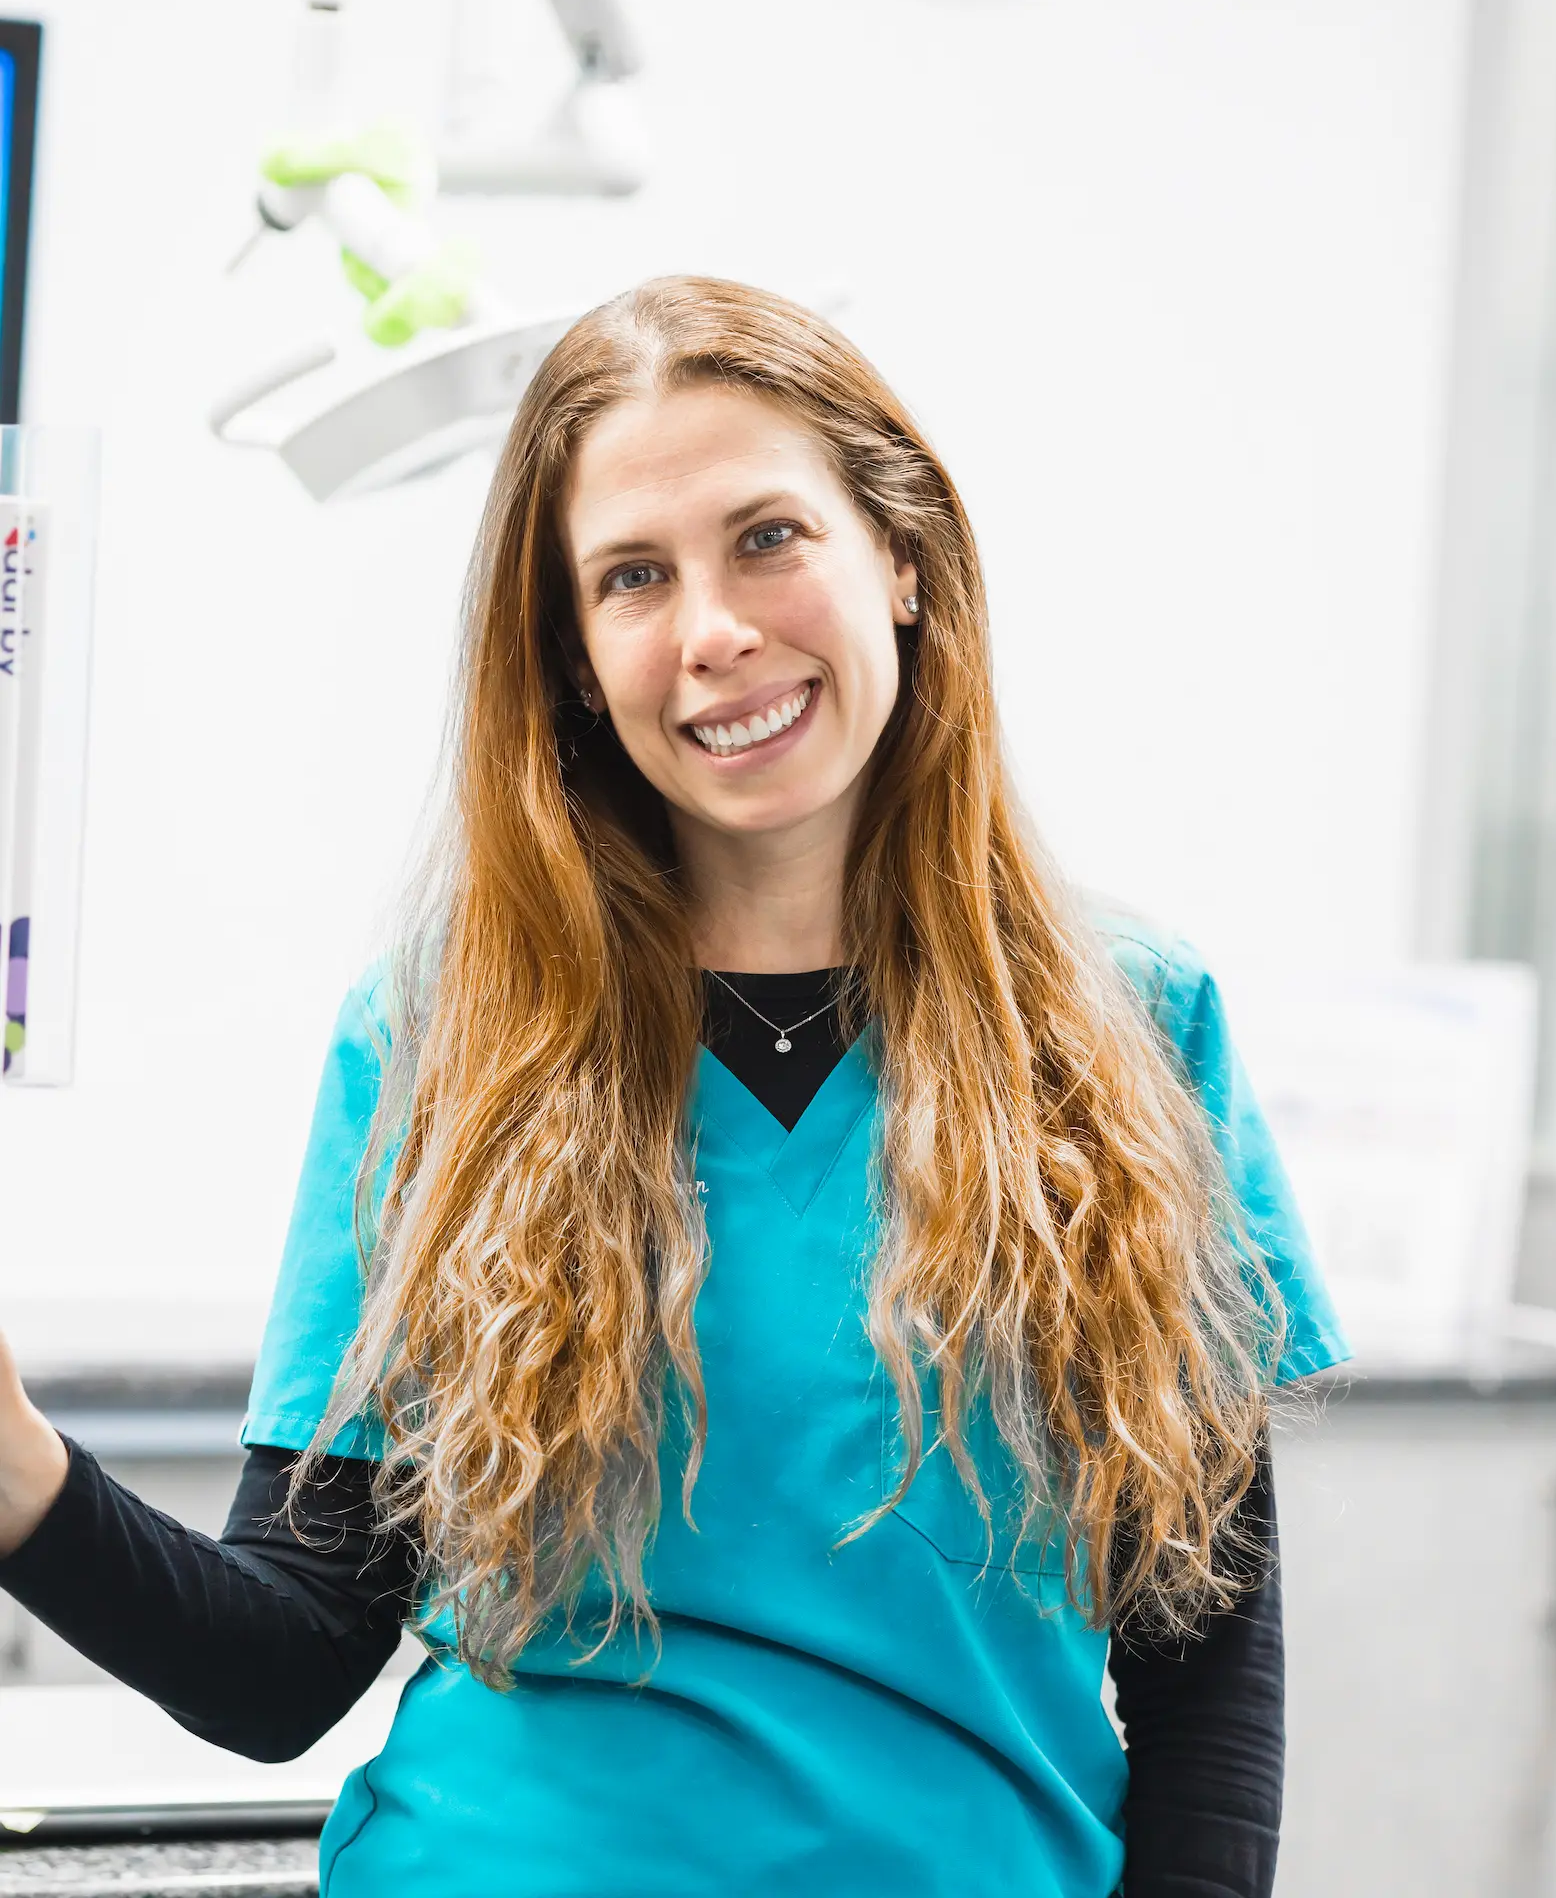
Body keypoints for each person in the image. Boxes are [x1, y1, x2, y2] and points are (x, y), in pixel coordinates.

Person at [0, 276, 1349, 1897]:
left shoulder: (1128, 1023)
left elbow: (1207, 1669)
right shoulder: (445, 1036)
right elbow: (286, 1661)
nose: (715, 630)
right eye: (633, 577)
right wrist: (19, 1472)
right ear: (574, 659)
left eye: (769, 537)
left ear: (900, 562)